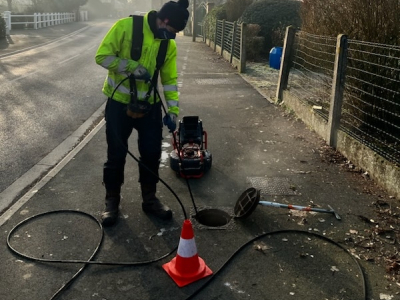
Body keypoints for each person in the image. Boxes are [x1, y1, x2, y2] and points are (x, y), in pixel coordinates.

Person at [95, 0, 190, 226]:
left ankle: (150, 199)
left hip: (149, 105)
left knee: (151, 153)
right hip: (119, 103)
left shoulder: (168, 45)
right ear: (164, 20)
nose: (173, 36)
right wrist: (129, 66)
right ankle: (111, 202)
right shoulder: (125, 27)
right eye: (172, 30)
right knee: (116, 155)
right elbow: (102, 56)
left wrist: (174, 111)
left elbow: (169, 80)